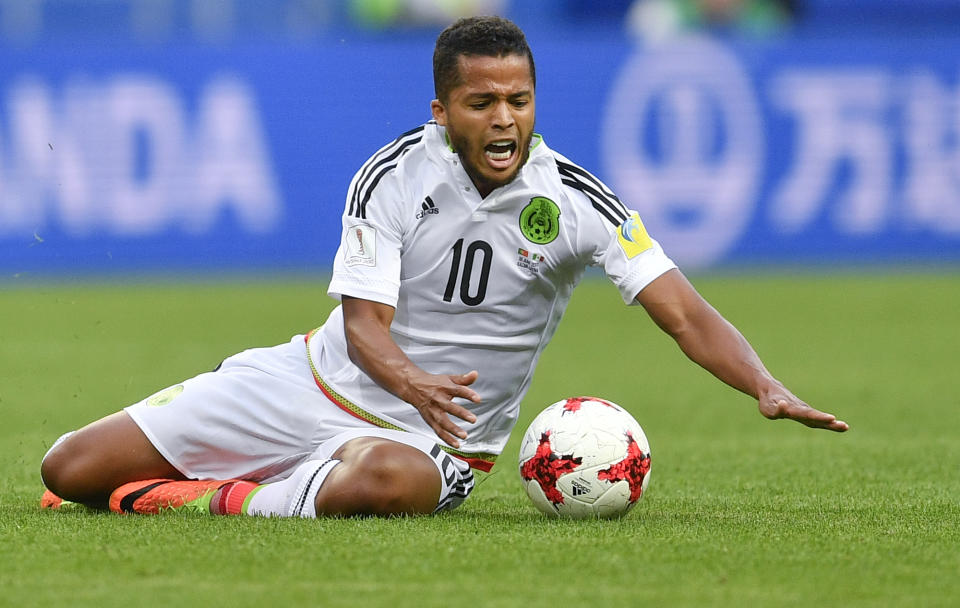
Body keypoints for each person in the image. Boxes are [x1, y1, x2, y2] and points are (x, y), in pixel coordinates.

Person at [39, 15, 847, 519]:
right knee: (70, 469)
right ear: (442, 111)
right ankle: (293, 473)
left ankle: (220, 500)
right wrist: (413, 381)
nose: (505, 120)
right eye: (483, 102)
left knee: (387, 485)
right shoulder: (392, 176)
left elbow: (685, 313)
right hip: (313, 382)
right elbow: (363, 329)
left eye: (520, 101)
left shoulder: (576, 202)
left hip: (438, 447)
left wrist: (763, 384)